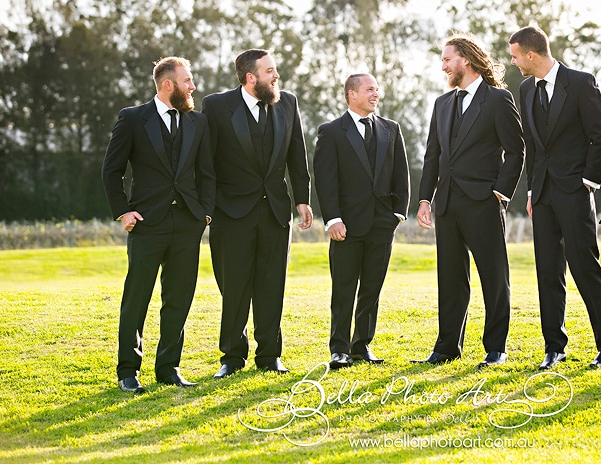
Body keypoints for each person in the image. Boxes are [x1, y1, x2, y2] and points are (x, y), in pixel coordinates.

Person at [101, 56, 215, 393]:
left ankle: (168, 368)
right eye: (187, 81)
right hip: (146, 224)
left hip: (188, 224)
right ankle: (128, 371)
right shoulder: (133, 119)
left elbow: (207, 173)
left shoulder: (198, 122)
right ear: (168, 84)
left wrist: (205, 213)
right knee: (137, 298)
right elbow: (111, 170)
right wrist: (123, 212)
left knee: (179, 298)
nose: (192, 87)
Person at [508, 25, 601, 370]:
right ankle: (554, 347)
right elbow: (531, 146)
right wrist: (530, 189)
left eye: (515, 56)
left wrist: (587, 182)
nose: (513, 63)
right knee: (548, 272)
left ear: (531, 54)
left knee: (586, 268)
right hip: (541, 195)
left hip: (574, 191)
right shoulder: (526, 89)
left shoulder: (581, 82)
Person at [413, 33, 525, 367]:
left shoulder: (497, 100)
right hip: (446, 202)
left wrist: (500, 193)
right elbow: (433, 155)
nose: (443, 65)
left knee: (493, 276)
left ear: (467, 59)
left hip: (483, 202)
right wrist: (424, 199)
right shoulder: (442, 103)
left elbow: (517, 151)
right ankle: (447, 347)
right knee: (449, 278)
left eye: (447, 59)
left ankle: (496, 348)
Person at [201, 48, 313, 377]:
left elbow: (297, 154)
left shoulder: (288, 102)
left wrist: (302, 199)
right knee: (234, 287)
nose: (276, 76)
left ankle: (269, 356)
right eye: (270, 71)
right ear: (251, 78)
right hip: (230, 213)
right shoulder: (217, 106)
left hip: (276, 211)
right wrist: (207, 208)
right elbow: (206, 161)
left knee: (271, 284)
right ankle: (232, 358)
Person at [313, 73, 410, 369]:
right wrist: (332, 220)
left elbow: (401, 175)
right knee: (343, 289)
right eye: (369, 89)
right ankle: (339, 348)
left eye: (377, 90)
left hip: (381, 224)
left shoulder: (391, 129)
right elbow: (325, 180)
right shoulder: (331, 132)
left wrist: (397, 213)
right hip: (347, 226)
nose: (375, 94)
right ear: (351, 94)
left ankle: (362, 345)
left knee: (371, 288)